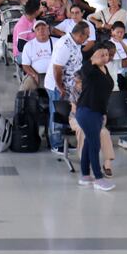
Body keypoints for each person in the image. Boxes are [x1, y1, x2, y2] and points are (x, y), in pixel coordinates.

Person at [74, 41, 116, 191]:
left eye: (106, 54)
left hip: (97, 112)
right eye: (101, 54)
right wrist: (93, 60)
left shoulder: (105, 68)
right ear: (94, 55)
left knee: (88, 143)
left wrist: (104, 113)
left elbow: (104, 94)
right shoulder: (89, 68)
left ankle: (85, 175)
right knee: (94, 144)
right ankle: (98, 178)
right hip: (87, 111)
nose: (105, 57)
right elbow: (84, 71)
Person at [45, 20, 86, 154]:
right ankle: (56, 143)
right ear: (80, 35)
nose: (88, 39)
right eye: (87, 36)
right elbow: (57, 68)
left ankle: (63, 142)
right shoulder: (65, 45)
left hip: (69, 86)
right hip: (57, 86)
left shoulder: (75, 43)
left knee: (65, 113)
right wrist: (60, 87)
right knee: (56, 113)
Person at [18, 19, 54, 92]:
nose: (41, 31)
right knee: (24, 89)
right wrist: (34, 75)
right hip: (35, 74)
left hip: (54, 74)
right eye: (38, 29)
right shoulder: (29, 45)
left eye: (43, 28)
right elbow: (25, 65)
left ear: (48, 31)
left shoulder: (58, 42)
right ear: (35, 33)